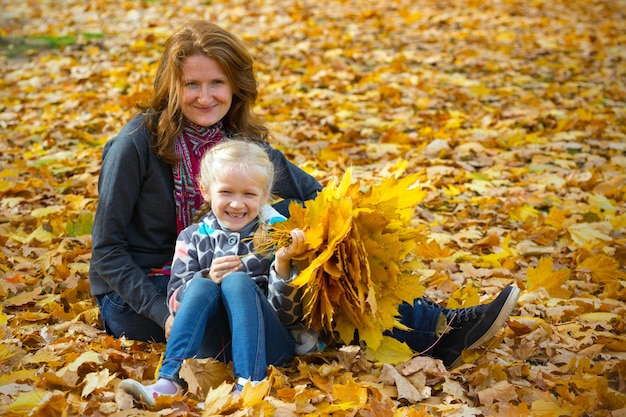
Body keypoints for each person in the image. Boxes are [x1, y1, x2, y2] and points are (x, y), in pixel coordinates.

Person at [89, 19, 519, 395]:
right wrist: (165, 312)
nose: (205, 97)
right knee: (258, 291)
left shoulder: (240, 143)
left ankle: (434, 324)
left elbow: (318, 197)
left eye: (216, 83)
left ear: (235, 86)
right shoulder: (135, 146)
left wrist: (341, 243)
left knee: (311, 231)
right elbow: (107, 252)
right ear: (171, 86)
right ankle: (434, 332)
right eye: (191, 85)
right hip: (147, 294)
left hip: (235, 276)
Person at [118, 139, 311, 405]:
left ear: (264, 196)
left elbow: (287, 318)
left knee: (237, 282)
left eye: (249, 194)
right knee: (201, 285)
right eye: (227, 192)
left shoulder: (274, 238)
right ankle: (169, 381)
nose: (236, 204)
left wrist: (282, 265)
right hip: (212, 349)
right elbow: (174, 303)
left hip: (268, 348)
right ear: (206, 191)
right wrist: (208, 278)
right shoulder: (192, 238)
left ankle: (249, 383)